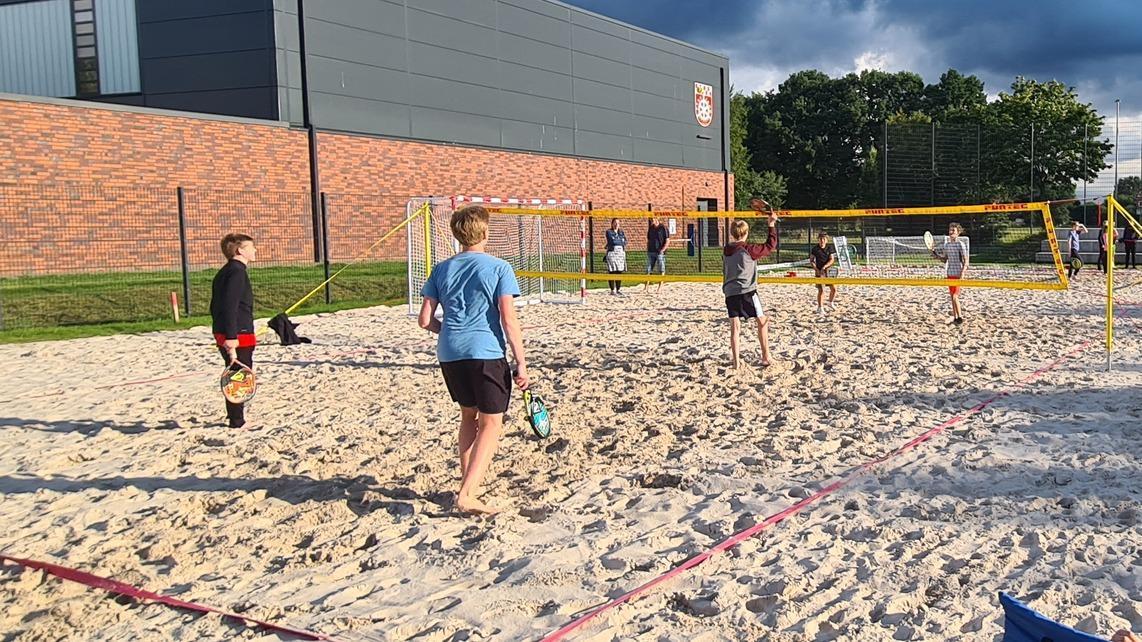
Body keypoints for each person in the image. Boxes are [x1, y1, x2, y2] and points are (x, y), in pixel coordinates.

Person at [418, 205, 529, 516]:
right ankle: (467, 494)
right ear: (485, 233)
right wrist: (521, 362)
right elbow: (508, 319)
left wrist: (448, 331)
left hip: (450, 352)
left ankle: (468, 484)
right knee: (492, 423)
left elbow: (425, 320)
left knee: (469, 417)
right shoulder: (499, 268)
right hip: (485, 351)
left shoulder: (441, 269)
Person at [210, 233, 257, 429]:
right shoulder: (236, 272)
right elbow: (229, 305)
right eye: (251, 247)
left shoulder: (227, 271)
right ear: (240, 250)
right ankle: (237, 420)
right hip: (237, 333)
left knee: (237, 374)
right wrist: (231, 336)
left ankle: (235, 416)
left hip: (230, 331)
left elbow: (215, 306)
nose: (255, 250)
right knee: (239, 375)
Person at [723, 210, 779, 370]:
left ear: (732, 233)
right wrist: (771, 224)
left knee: (735, 327)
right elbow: (770, 246)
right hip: (747, 291)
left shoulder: (726, 249)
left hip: (730, 292)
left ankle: (736, 362)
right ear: (746, 233)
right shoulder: (749, 249)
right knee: (762, 321)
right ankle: (766, 356)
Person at [932, 222, 969, 325]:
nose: (951, 232)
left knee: (955, 296)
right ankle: (955, 316)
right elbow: (945, 260)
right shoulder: (947, 245)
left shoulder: (960, 244)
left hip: (958, 273)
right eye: (950, 230)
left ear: (958, 233)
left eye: (953, 230)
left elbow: (966, 261)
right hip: (950, 273)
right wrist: (935, 255)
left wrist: (963, 273)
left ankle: (960, 317)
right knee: (952, 296)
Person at [809, 231, 837, 314]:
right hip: (819, 271)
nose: (822, 241)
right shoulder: (815, 249)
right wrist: (816, 269)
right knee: (821, 290)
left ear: (826, 240)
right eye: (821, 239)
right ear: (818, 240)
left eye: (824, 239)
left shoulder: (829, 248)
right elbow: (811, 260)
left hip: (828, 270)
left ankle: (830, 302)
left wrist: (825, 267)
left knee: (834, 289)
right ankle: (820, 307)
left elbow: (832, 259)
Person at [644, 216, 670, 293]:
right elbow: (648, 239)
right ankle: (646, 287)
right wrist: (648, 249)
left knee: (661, 270)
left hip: (659, 252)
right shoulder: (651, 228)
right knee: (648, 269)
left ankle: (660, 287)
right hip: (651, 251)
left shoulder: (663, 228)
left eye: (653, 218)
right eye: (651, 219)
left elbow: (667, 240)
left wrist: (662, 250)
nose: (652, 220)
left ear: (657, 219)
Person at [604, 218, 628, 295]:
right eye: (615, 223)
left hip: (620, 253)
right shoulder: (609, 232)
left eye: (618, 223)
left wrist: (620, 240)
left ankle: (618, 289)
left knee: (619, 271)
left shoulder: (621, 232)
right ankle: (612, 289)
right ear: (612, 224)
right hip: (612, 253)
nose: (616, 224)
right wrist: (619, 240)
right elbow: (612, 241)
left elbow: (625, 242)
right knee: (612, 271)